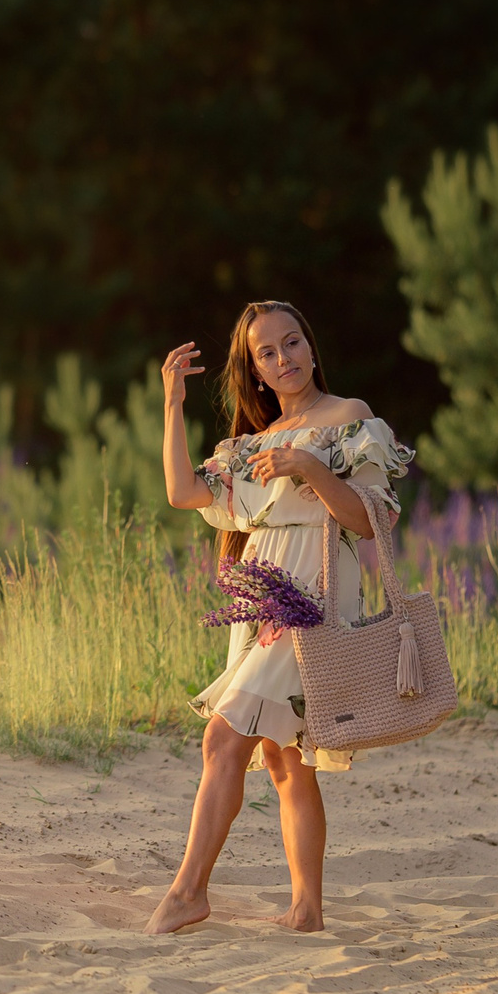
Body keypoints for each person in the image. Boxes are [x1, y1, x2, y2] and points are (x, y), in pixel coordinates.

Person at [144, 300, 412, 935]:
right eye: (267, 352)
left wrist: (311, 468)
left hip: (313, 599)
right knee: (285, 757)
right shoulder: (250, 447)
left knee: (221, 738)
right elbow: (183, 493)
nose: (284, 358)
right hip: (262, 602)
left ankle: (188, 892)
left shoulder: (349, 420)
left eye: (292, 343)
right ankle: (307, 909)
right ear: (255, 371)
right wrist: (173, 405)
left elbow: (372, 521)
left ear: (311, 348)